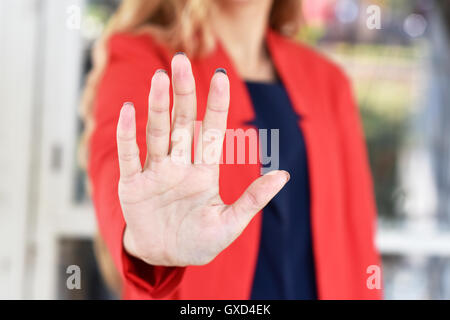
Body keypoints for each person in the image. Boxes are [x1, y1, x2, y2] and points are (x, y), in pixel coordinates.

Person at [80, 0, 382, 299]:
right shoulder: (142, 57)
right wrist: (142, 243)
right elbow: (117, 168)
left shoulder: (328, 82)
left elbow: (357, 233)